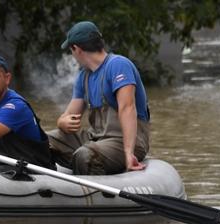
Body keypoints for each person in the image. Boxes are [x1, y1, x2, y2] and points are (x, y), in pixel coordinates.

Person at [47, 21, 150, 175]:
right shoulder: (83, 76)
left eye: (71, 50)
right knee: (43, 140)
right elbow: (68, 115)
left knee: (85, 155)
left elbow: (127, 108)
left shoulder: (118, 65)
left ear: (77, 49)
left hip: (126, 142)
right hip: (95, 138)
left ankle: (88, 179)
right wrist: (62, 123)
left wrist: (129, 153)